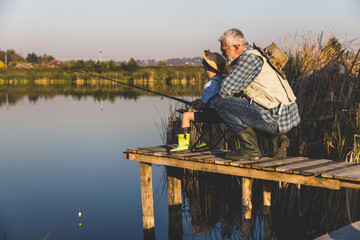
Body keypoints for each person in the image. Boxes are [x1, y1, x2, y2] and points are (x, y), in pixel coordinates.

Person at [215, 28, 300, 160]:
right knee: (242, 106)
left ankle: (250, 149)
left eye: (224, 50)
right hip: (286, 115)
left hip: (275, 117)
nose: (222, 54)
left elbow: (225, 90)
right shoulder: (259, 54)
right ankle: (276, 140)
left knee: (221, 104)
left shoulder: (249, 59)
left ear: (236, 47)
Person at [171, 50, 228, 152]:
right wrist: (199, 101)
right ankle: (205, 141)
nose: (204, 71)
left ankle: (183, 145)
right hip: (223, 115)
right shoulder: (223, 81)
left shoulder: (210, 85)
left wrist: (194, 106)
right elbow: (208, 100)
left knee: (186, 116)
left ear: (208, 69)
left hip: (213, 115)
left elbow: (201, 105)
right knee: (205, 115)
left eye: (205, 69)